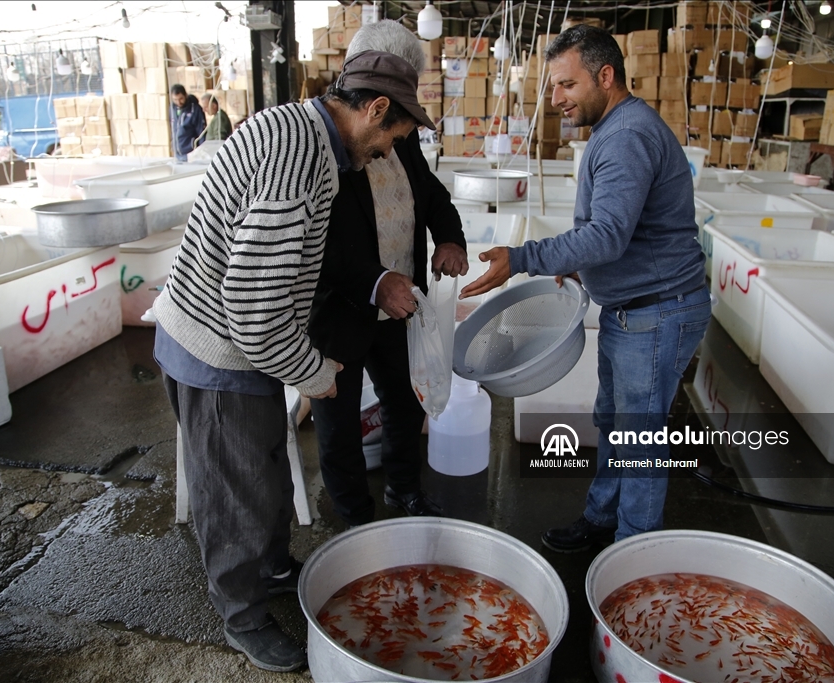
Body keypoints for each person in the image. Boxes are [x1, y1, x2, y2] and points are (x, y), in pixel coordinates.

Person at [150, 45, 434, 671]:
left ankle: (274, 566)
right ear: (374, 110)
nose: (388, 152)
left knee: (271, 468)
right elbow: (252, 310)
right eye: (392, 138)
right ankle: (242, 615)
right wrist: (314, 373)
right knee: (237, 492)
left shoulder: (304, 133)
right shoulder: (300, 158)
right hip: (218, 350)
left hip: (240, 344)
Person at [460, 25, 711, 552]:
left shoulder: (626, 136)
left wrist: (526, 258)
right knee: (613, 422)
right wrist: (581, 266)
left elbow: (609, 234)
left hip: (657, 312)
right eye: (553, 88)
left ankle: (630, 555)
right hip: (631, 308)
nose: (555, 101)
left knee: (639, 439)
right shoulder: (616, 129)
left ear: (605, 76)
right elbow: (619, 228)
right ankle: (602, 521)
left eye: (566, 86)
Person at [307, 20, 469, 529]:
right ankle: (355, 518)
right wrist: (376, 281)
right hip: (343, 309)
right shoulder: (322, 140)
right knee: (338, 421)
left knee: (406, 400)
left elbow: (432, 193)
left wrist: (450, 237)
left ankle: (404, 487)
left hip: (402, 306)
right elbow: (317, 242)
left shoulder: (400, 132)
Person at [168, 84, 207, 161]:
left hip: (190, 153)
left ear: (185, 95)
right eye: (175, 100)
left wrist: (201, 152)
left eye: (181, 99)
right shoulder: (172, 108)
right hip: (177, 152)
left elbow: (201, 132)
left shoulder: (195, 109)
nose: (178, 102)